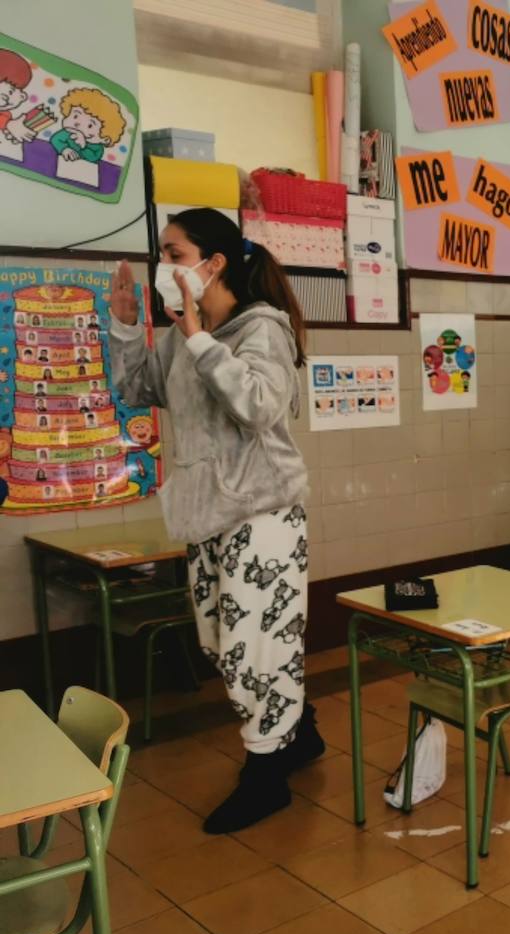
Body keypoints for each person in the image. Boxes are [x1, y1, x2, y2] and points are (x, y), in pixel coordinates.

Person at [107, 207, 322, 834]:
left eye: (174, 253)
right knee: (222, 645)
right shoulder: (181, 333)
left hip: (264, 510)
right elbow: (141, 389)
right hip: (207, 514)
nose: (164, 265)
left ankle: (266, 775)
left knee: (253, 650)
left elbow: (257, 406)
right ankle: (298, 730)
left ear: (214, 262)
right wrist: (127, 329)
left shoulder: (264, 329)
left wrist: (199, 336)